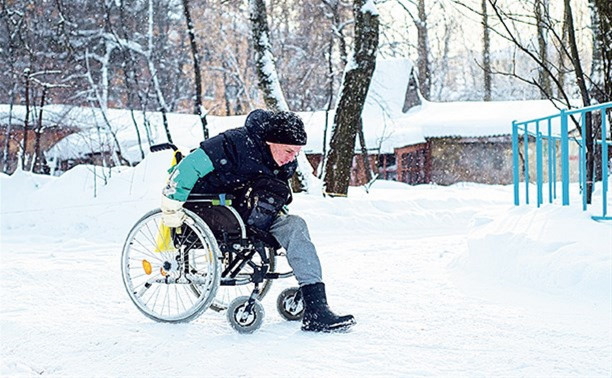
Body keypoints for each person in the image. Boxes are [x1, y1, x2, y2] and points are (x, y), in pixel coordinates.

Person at [160, 109, 355, 333]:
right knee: (239, 214)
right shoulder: (233, 144)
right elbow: (188, 168)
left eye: (297, 153)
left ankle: (316, 308)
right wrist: (171, 206)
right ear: (270, 141)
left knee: (295, 226)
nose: (292, 158)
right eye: (289, 151)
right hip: (212, 209)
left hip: (254, 213)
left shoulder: (286, 162)